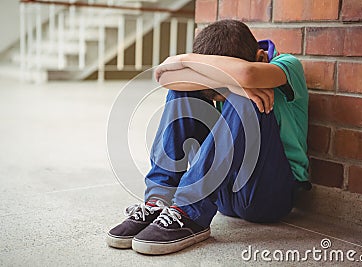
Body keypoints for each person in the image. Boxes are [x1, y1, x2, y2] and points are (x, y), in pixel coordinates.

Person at [107, 19, 310, 255]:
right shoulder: (215, 67)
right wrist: (187, 62)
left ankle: (191, 212)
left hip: (269, 195)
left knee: (249, 97)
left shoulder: (287, 64)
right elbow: (163, 77)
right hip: (224, 194)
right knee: (181, 90)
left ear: (261, 57)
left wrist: (230, 83)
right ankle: (159, 201)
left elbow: (247, 74)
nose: (220, 96)